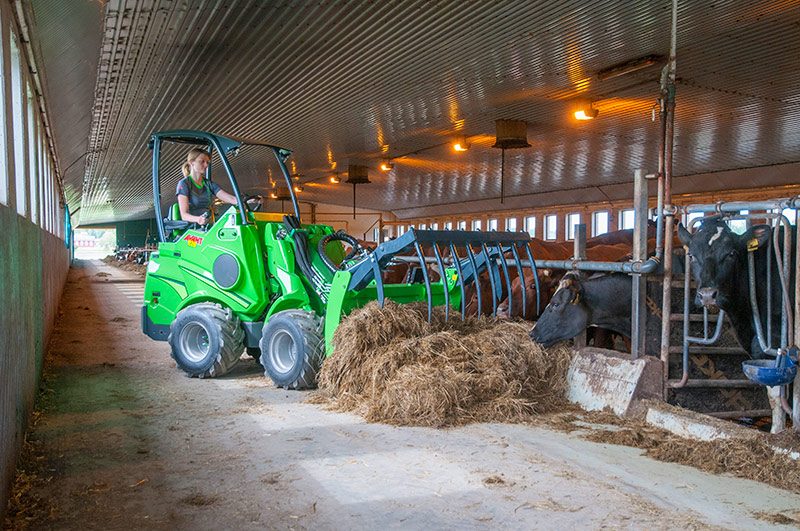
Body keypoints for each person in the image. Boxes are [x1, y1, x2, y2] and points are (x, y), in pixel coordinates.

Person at [176, 148, 258, 226]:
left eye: (207, 162)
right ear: (192, 162)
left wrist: (251, 200)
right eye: (202, 162)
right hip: (190, 230)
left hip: (206, 227)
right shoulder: (184, 184)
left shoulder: (208, 184)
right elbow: (184, 215)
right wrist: (198, 219)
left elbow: (232, 199)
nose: (206, 165)